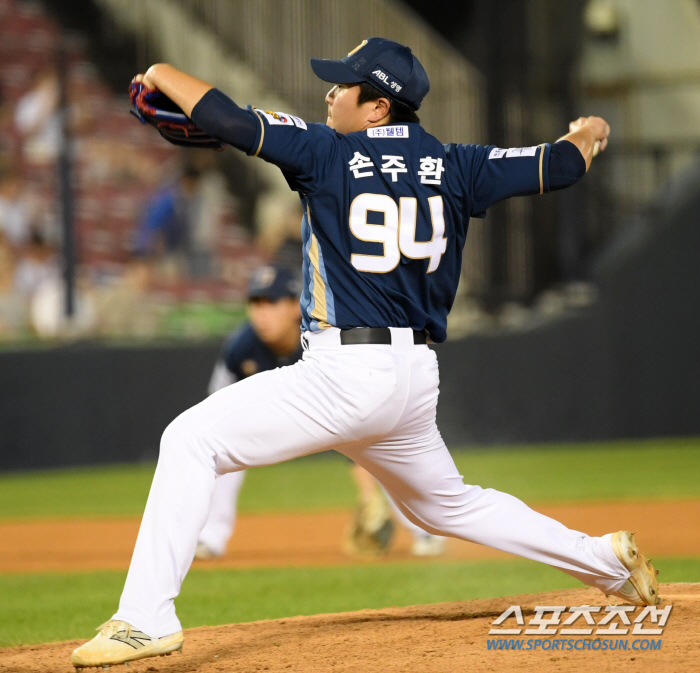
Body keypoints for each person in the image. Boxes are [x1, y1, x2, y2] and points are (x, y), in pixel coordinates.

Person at [72, 37, 659, 668]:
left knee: (190, 440)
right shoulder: (455, 164)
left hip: (346, 372)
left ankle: (143, 618)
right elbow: (561, 164)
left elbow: (228, 120)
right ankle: (602, 561)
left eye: (342, 86)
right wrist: (590, 130)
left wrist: (159, 69)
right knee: (444, 506)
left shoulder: (327, 153)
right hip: (412, 377)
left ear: (378, 107)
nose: (329, 93)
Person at [196, 264, 445, 560]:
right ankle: (210, 537)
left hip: (334, 407)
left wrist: (367, 494)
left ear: (292, 306)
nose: (261, 314)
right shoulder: (240, 348)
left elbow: (359, 419)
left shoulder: (321, 336)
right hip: (276, 414)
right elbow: (215, 408)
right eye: (255, 303)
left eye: (270, 303)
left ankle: (424, 529)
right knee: (219, 444)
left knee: (383, 446)